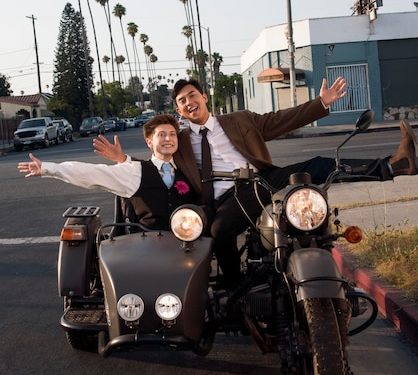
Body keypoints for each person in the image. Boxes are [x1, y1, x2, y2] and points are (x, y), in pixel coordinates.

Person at [96, 77, 417, 286]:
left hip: (262, 180)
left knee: (316, 167)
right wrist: (123, 161)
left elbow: (281, 120)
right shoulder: (177, 140)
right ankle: (236, 288)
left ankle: (394, 166)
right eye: (181, 101)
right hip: (225, 198)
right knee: (219, 231)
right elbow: (155, 164)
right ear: (178, 109)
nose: (187, 102)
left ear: (204, 97)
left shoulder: (239, 120)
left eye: (192, 95)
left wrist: (321, 103)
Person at [17, 114, 197, 231]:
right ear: (150, 142)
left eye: (172, 134)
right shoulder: (135, 171)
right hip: (147, 245)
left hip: (187, 243)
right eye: (162, 135)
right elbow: (91, 173)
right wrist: (48, 168)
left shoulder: (189, 171)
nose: (168, 139)